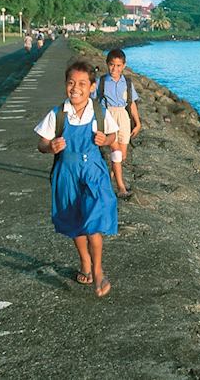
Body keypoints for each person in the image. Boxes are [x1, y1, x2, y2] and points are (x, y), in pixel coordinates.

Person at [34, 60, 119, 297]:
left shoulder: (99, 113)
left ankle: (99, 270)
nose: (75, 88)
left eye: (82, 83)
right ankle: (85, 262)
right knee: (75, 221)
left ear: (92, 87)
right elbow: (41, 143)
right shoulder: (57, 114)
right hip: (67, 174)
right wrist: (50, 146)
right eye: (71, 82)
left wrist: (107, 141)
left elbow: (113, 135)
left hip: (93, 172)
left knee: (93, 220)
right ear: (65, 85)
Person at [95, 48, 142, 198]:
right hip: (108, 115)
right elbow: (90, 101)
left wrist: (137, 123)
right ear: (107, 64)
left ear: (124, 65)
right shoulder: (100, 82)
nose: (115, 68)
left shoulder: (127, 83)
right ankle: (121, 187)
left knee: (122, 156)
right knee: (115, 153)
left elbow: (132, 104)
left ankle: (106, 180)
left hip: (123, 116)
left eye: (118, 65)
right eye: (112, 65)